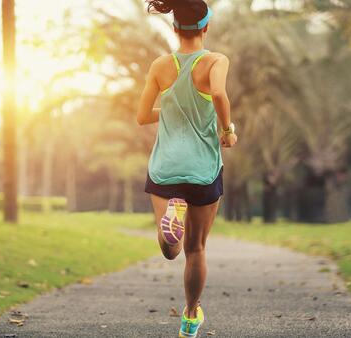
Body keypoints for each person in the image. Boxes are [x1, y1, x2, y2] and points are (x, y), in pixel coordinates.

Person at [137, 0, 237, 337]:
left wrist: (170, 107)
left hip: (165, 166)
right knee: (196, 250)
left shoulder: (160, 65)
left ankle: (172, 219)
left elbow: (141, 116)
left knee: (171, 251)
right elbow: (220, 93)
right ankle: (191, 316)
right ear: (206, 28)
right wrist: (227, 130)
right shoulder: (215, 61)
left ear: (175, 28)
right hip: (202, 169)